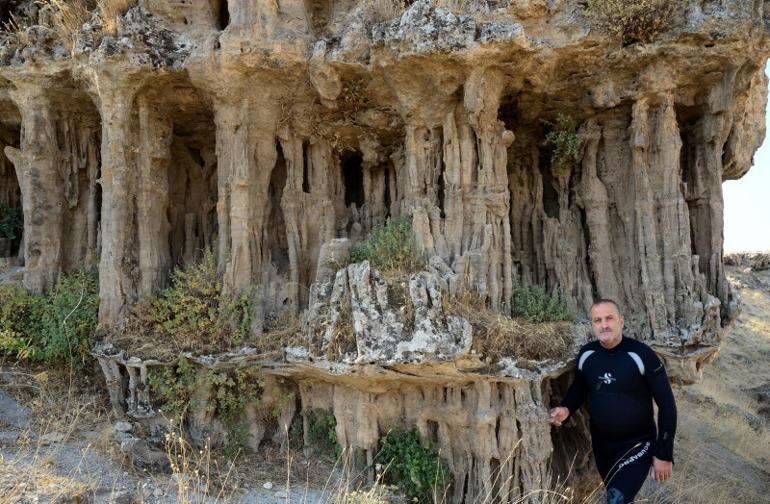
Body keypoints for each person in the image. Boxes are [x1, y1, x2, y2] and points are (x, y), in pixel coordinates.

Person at [549, 299, 677, 504]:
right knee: (617, 497)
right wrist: (566, 408)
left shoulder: (642, 355)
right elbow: (580, 388)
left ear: (621, 321)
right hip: (602, 446)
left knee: (616, 501)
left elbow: (667, 406)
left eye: (609, 318)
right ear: (593, 325)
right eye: (598, 320)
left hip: (637, 443)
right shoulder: (587, 354)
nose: (604, 324)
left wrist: (664, 453)